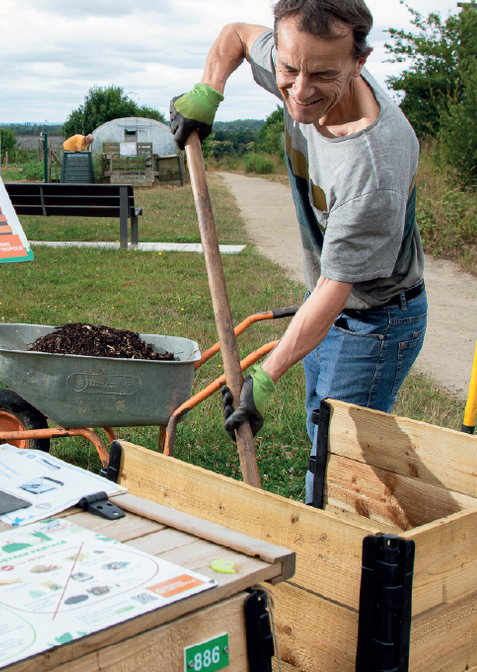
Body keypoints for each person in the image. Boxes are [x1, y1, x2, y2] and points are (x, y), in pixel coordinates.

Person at [170, 0, 426, 504]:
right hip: (330, 302)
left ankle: (356, 558)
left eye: (323, 74)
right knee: (321, 434)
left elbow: (337, 289)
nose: (301, 90)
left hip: (375, 320)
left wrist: (265, 378)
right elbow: (236, 37)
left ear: (360, 61)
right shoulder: (300, 57)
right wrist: (209, 90)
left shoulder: (374, 165)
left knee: (342, 465)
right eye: (289, 69)